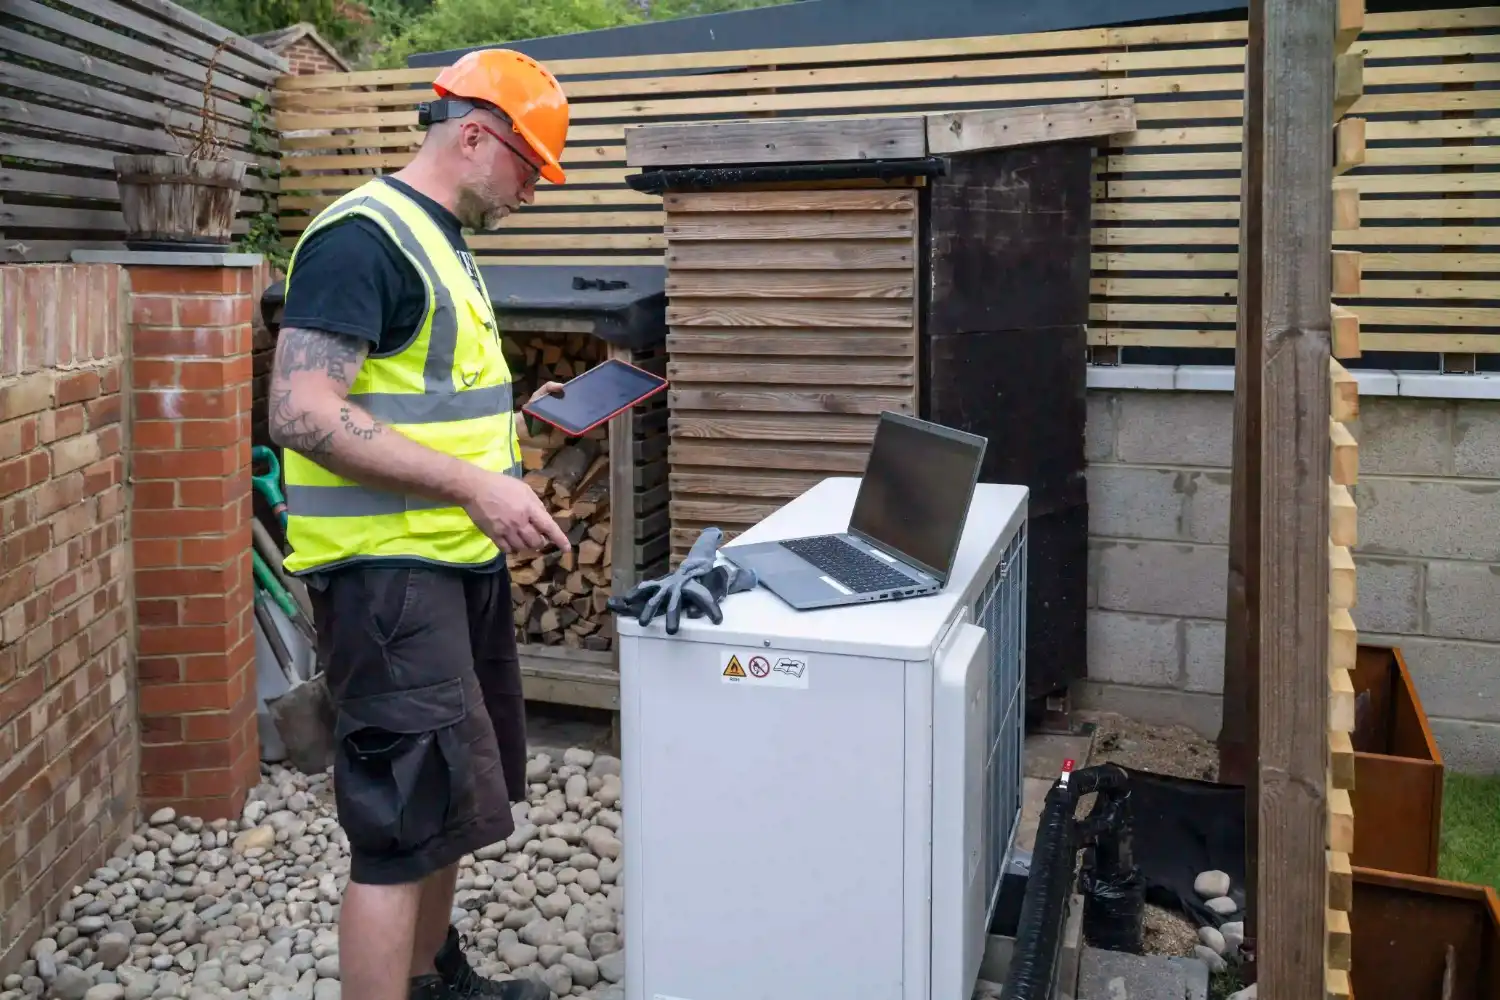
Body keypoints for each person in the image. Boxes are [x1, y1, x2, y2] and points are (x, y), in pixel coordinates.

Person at [267, 47, 575, 1000]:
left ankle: (434, 980)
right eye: (530, 168)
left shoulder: (438, 238)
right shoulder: (362, 238)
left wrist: (514, 429)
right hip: (386, 581)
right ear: (477, 135)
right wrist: (476, 487)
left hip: (446, 567)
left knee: (451, 801)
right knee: (397, 829)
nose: (534, 191)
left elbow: (410, 404)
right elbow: (303, 411)